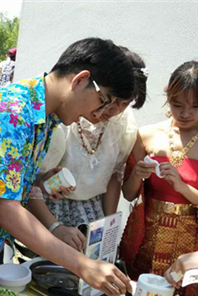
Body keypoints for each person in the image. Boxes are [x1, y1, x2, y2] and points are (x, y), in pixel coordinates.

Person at [0, 38, 136, 296]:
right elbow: (6, 210)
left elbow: (7, 186)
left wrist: (39, 182)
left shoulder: (45, 117)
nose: (98, 114)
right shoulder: (11, 112)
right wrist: (83, 265)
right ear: (80, 80)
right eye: (103, 101)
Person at [27, 48, 148, 251]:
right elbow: (30, 184)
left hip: (92, 214)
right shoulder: (68, 113)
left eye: (124, 103)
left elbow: (112, 177)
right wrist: (55, 225)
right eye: (109, 100)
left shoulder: (124, 125)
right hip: (49, 210)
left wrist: (108, 227)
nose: (113, 109)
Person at [120, 61, 198, 296]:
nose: (185, 113)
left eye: (196, 107)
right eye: (177, 104)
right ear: (168, 96)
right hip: (145, 237)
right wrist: (137, 175)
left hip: (193, 243)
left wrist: (183, 188)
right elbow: (129, 194)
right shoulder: (146, 134)